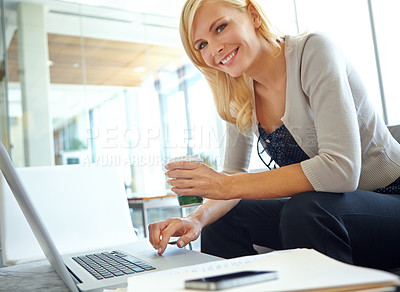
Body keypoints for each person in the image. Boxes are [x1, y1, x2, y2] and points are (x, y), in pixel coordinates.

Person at [148, 0, 400, 270]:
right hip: (330, 212)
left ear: (253, 16)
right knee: (223, 217)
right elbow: (232, 174)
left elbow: (341, 169)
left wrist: (225, 185)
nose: (214, 49)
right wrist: (197, 219)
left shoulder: (313, 51)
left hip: (389, 200)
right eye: (202, 45)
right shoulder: (239, 91)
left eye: (220, 27)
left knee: (305, 210)